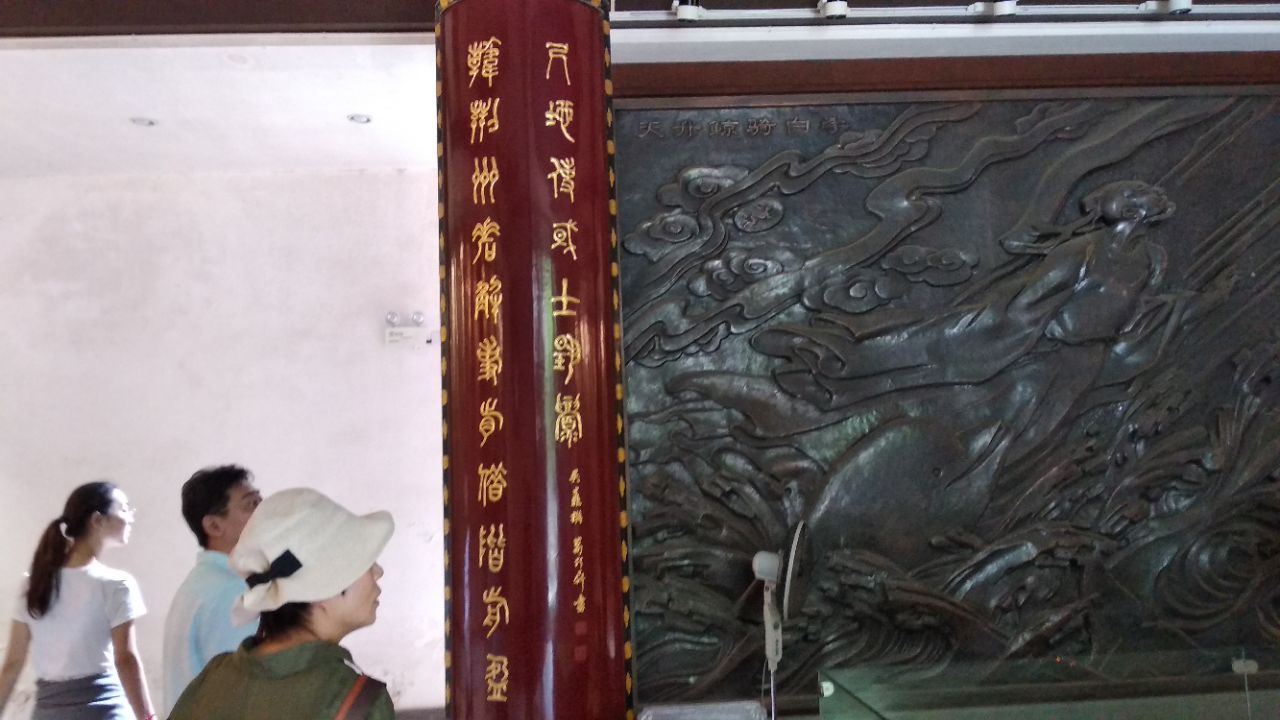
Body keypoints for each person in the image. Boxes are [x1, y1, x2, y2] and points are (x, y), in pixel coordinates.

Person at [169, 487, 395, 720]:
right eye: (364, 563)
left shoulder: (212, 680)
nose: (378, 572)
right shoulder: (355, 699)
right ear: (323, 588)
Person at [0, 482, 156, 720]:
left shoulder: (33, 584)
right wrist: (148, 717)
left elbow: (13, 663)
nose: (131, 518)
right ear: (97, 520)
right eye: (124, 509)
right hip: (104, 711)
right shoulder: (116, 584)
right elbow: (126, 659)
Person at [161, 465, 263, 715]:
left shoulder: (203, 582)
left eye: (260, 500)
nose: (263, 511)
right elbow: (242, 691)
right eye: (251, 504)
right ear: (214, 526)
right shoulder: (231, 592)